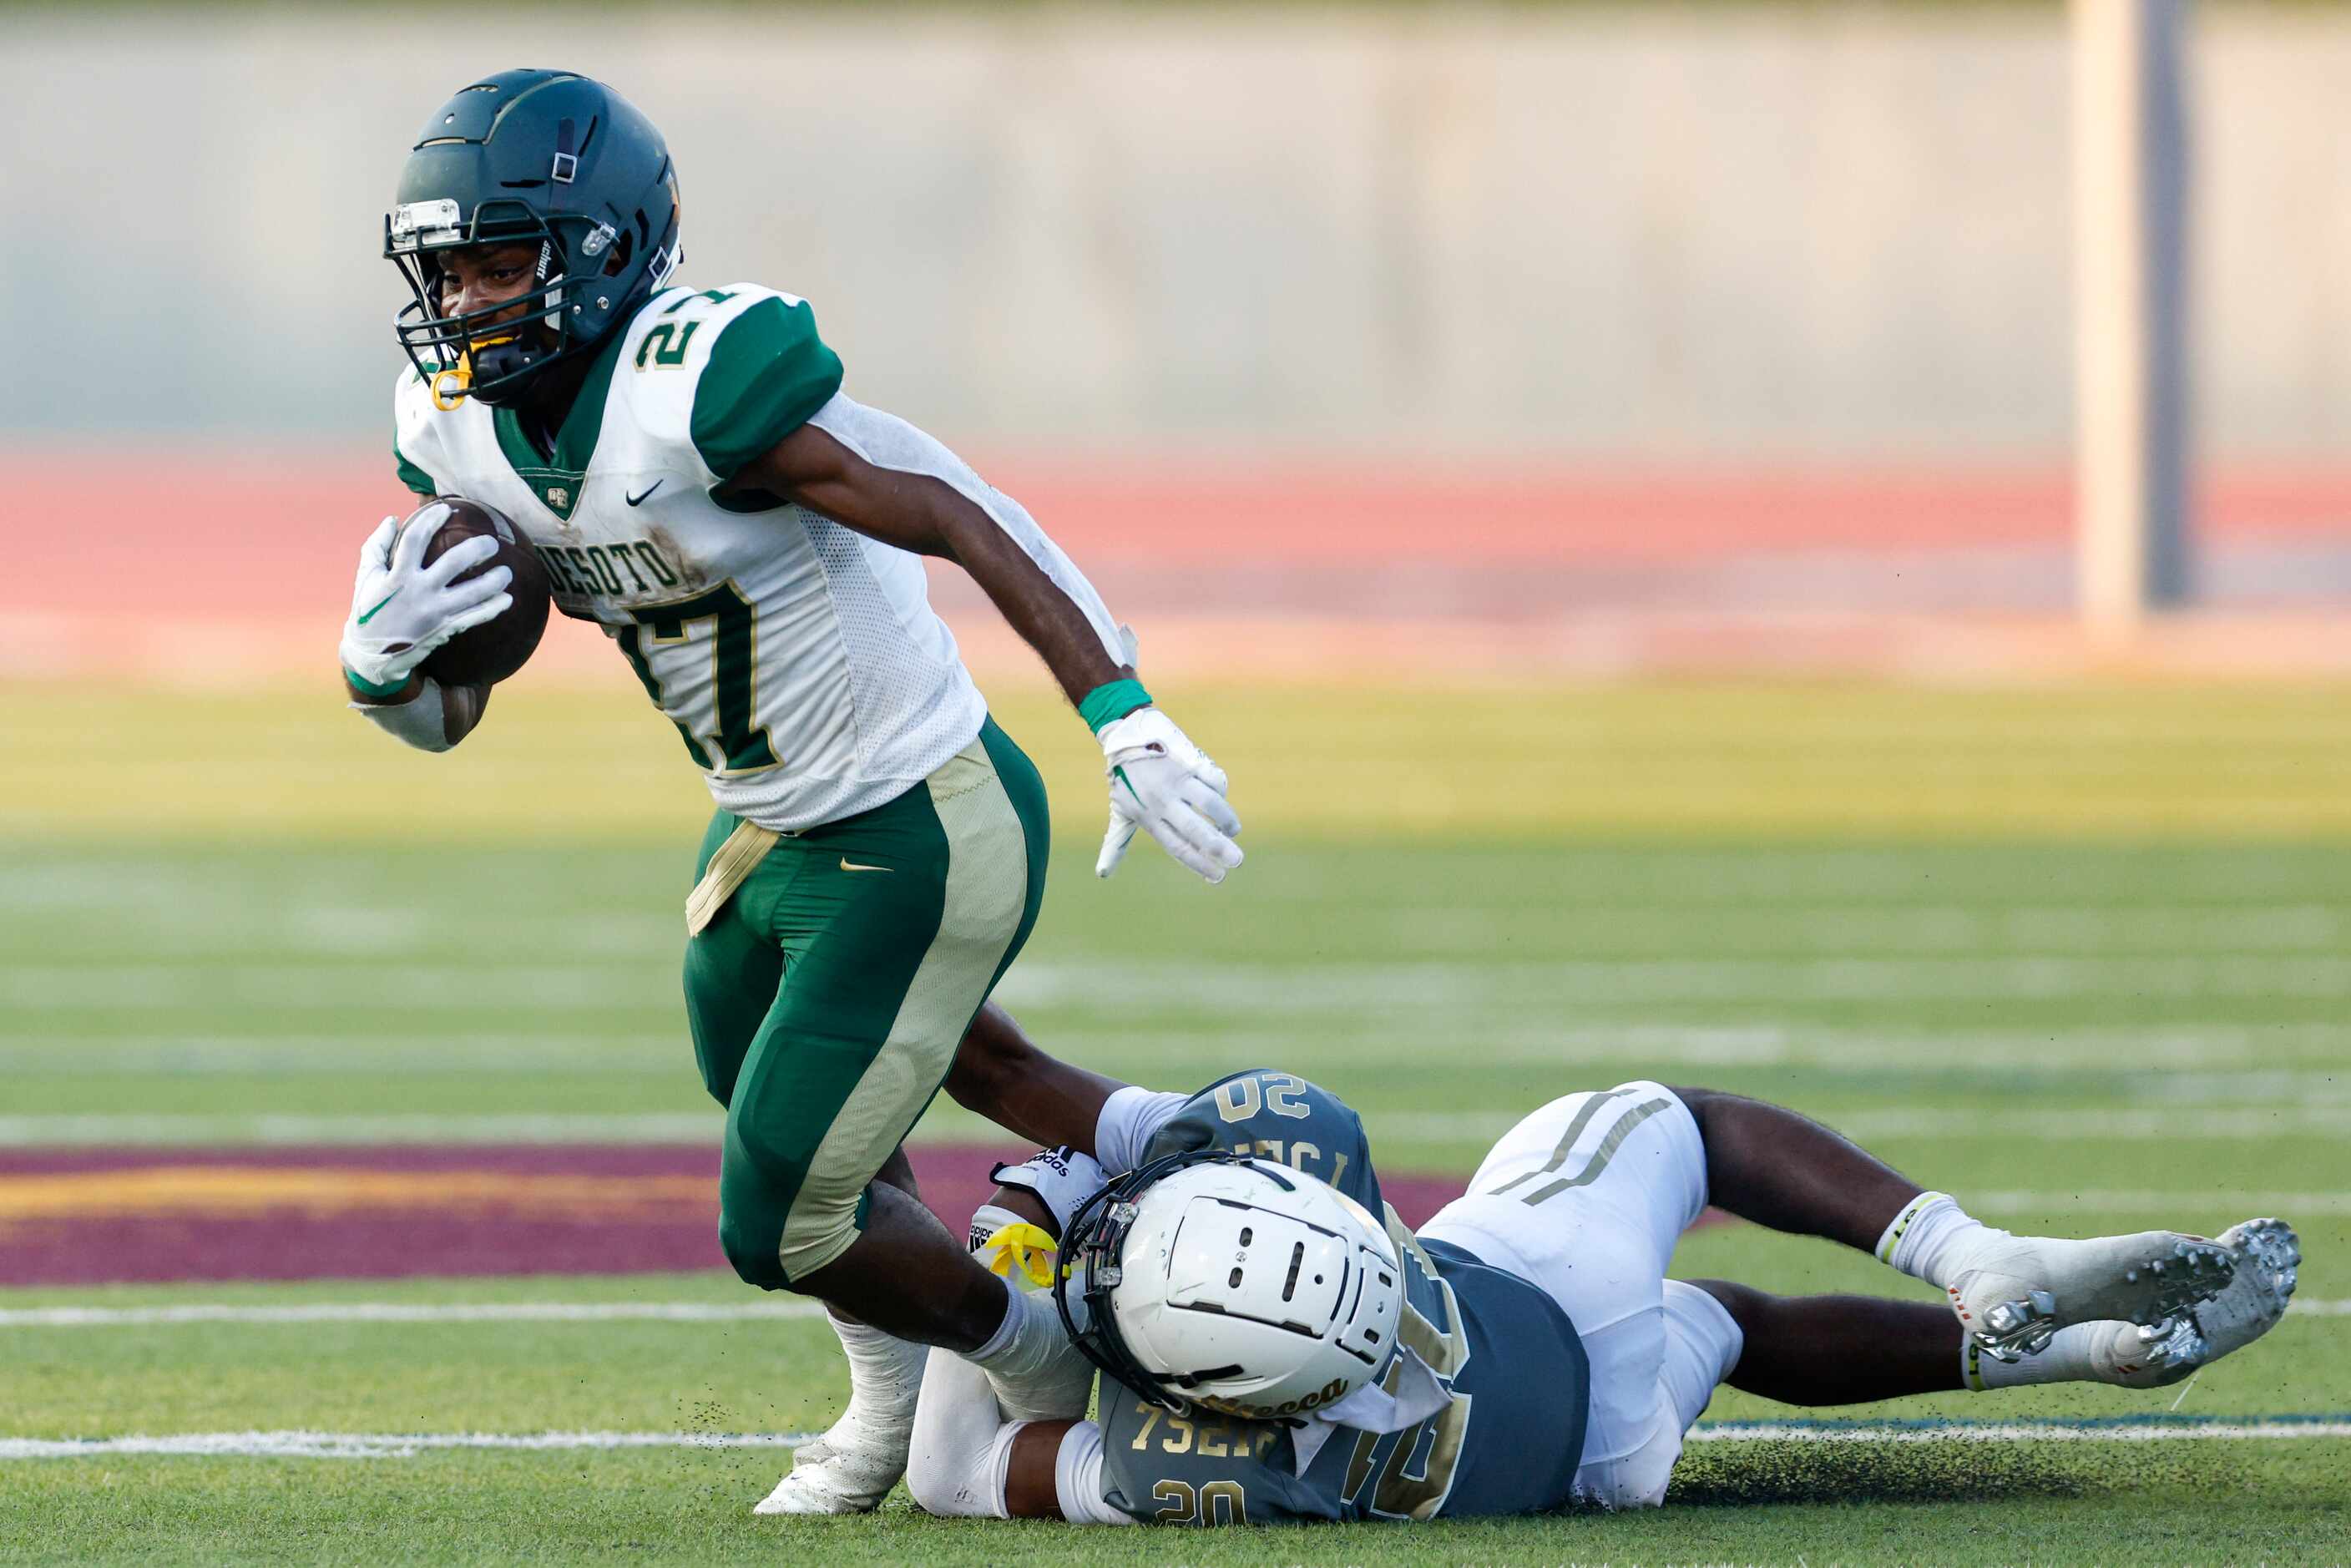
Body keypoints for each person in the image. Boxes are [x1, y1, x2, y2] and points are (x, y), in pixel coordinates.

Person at [336, 69, 1245, 1515]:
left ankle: (1035, 1358)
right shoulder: (454, 430)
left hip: (921, 811)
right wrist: (381, 673)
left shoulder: (696, 381)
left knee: (775, 1206)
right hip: (763, 818)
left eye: (500, 261)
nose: (463, 303)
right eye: (442, 270)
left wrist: (1118, 706)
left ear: (606, 252)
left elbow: (948, 502)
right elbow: (445, 713)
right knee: (842, 1095)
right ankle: (1155, 1161)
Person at [905, 1005, 2299, 1524]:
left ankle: (2058, 1349)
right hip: (1537, 1289)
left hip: (1598, 1456)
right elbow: (1013, 1066)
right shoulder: (1300, 1135)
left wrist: (996, 1247)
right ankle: (1972, 1254)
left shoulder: (1202, 1467)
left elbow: (957, 1471)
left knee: (1725, 1322)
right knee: (1686, 1130)